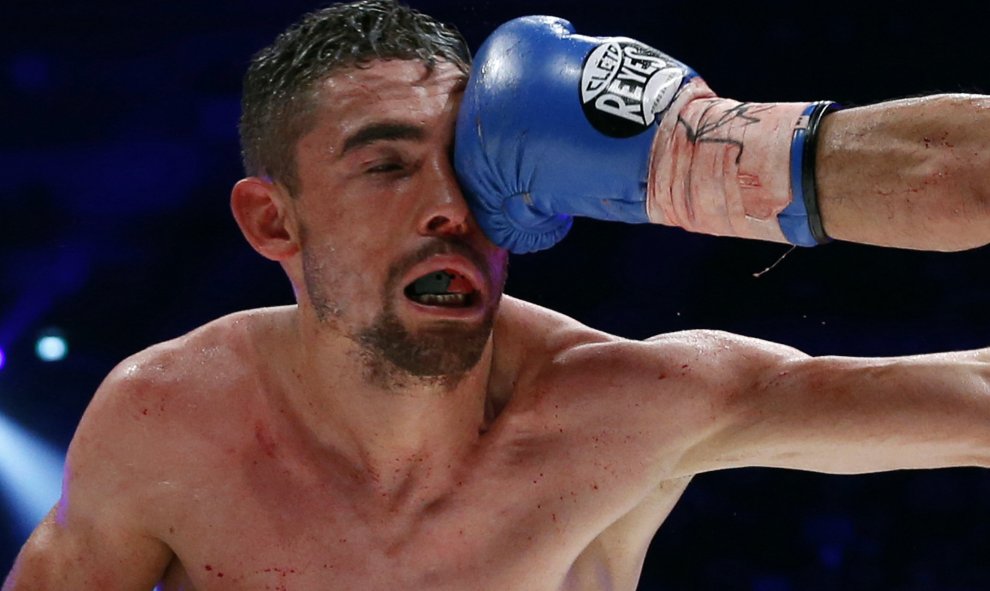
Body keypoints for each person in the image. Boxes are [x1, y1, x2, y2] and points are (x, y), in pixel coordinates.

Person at [3, 1, 987, 589]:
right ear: (273, 223)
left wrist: (725, 158)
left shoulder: (633, 408)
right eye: (387, 166)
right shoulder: (166, 421)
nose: (452, 208)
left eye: (475, 166)